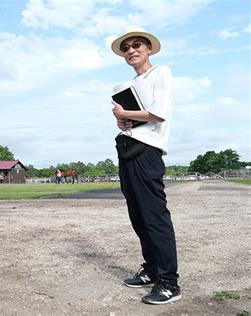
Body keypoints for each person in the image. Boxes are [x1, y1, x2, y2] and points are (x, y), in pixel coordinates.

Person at [110, 26, 180, 305]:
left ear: (149, 48)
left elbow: (158, 113)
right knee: (138, 215)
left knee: (154, 216)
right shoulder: (129, 85)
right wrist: (122, 120)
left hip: (147, 152)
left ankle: (169, 282)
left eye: (137, 45)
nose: (131, 51)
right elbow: (137, 118)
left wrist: (125, 113)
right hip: (128, 147)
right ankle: (151, 269)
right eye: (126, 48)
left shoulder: (161, 73)